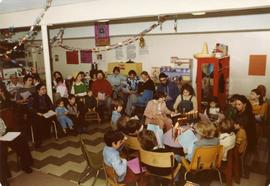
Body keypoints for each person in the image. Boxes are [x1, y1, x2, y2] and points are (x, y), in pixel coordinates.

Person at [29, 83, 55, 148]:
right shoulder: (33, 97)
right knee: (37, 121)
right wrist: (37, 113)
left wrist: (51, 110)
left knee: (53, 116)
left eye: (45, 89)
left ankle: (48, 135)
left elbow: (51, 105)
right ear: (38, 90)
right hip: (37, 112)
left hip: (46, 112)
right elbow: (30, 107)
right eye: (42, 89)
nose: (44, 90)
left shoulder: (46, 96)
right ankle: (38, 141)